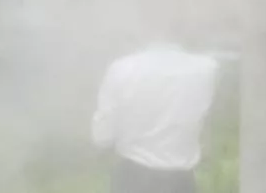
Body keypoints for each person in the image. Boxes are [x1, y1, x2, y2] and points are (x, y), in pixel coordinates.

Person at [92, 42, 218, 193]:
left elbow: (102, 137)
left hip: (133, 179)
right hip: (181, 182)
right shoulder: (206, 68)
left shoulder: (122, 69)